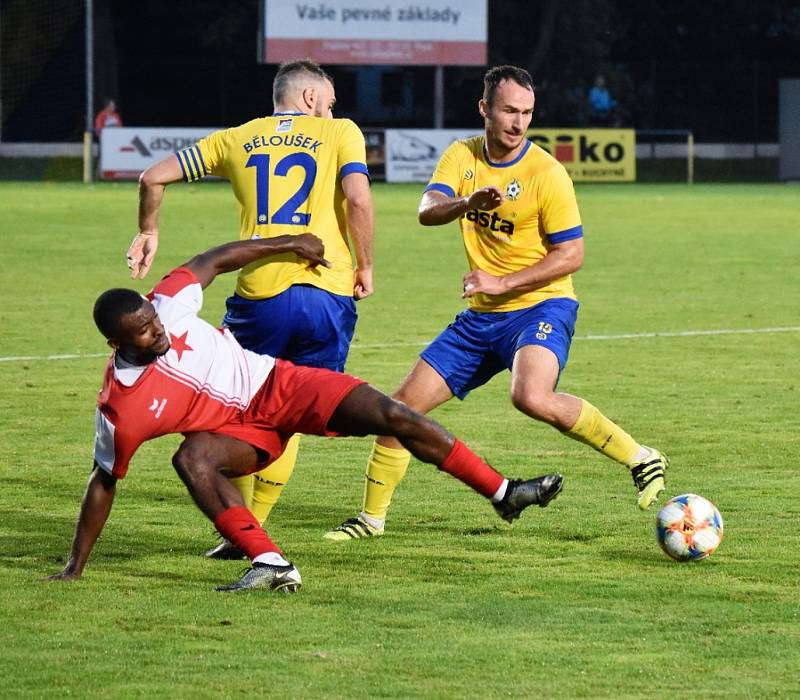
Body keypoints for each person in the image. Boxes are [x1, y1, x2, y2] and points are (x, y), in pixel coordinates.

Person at [48, 234, 564, 592]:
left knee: (395, 414)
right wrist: (75, 566)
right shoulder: (121, 409)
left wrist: (288, 244)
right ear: (117, 343)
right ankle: (270, 562)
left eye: (151, 316)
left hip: (279, 383)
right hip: (240, 433)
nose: (156, 328)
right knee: (192, 459)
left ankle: (502, 492)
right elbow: (104, 481)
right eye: (142, 329)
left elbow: (216, 258)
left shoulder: (167, 304)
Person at [324, 65, 667, 542]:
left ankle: (639, 456)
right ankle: (371, 519)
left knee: (531, 396)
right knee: (398, 410)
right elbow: (427, 211)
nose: (518, 122)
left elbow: (572, 255)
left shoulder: (547, 173)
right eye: (509, 110)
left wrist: (505, 283)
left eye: (527, 112)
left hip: (541, 306)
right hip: (482, 317)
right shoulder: (462, 156)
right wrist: (467, 203)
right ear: (485, 108)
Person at [128, 59, 374, 558]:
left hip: (260, 297)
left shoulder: (236, 138)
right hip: (327, 292)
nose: (332, 110)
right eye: (327, 102)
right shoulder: (342, 133)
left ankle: (240, 532)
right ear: (309, 99)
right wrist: (365, 266)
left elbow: (152, 177)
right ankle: (252, 528)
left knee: (239, 408)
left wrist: (149, 231)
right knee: (295, 410)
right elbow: (358, 200)